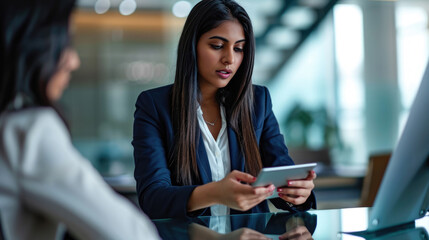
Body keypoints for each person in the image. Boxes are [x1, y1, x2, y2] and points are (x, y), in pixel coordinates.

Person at [133, 0, 316, 220]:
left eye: (238, 48)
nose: (229, 59)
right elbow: (153, 199)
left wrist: (297, 194)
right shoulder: (155, 106)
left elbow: (280, 177)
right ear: (192, 46)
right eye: (217, 46)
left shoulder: (258, 102)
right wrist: (214, 193)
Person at [0, 0, 160, 239]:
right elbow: (131, 233)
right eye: (65, 44)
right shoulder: (27, 130)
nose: (74, 61)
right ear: (34, 44)